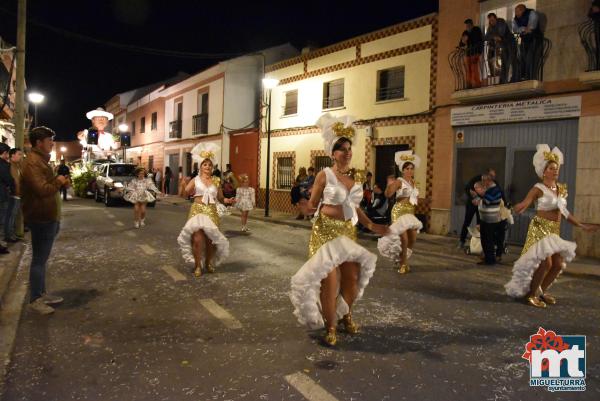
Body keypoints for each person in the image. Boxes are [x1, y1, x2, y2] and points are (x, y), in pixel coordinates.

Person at [291, 114, 388, 347]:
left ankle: (346, 315)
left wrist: (372, 225)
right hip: (324, 232)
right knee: (331, 281)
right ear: (332, 153)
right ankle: (331, 325)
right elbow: (313, 204)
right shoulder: (325, 175)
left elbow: (355, 208)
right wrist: (304, 207)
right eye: (341, 149)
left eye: (348, 148)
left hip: (347, 233)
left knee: (352, 280)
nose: (346, 152)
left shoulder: (355, 177)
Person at [505, 145, 598, 308]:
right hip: (540, 228)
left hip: (554, 230)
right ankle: (531, 295)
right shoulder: (538, 188)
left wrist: (582, 226)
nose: (555, 171)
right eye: (551, 168)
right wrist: (521, 206)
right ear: (544, 171)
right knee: (545, 263)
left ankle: (541, 290)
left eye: (556, 168)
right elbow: (527, 202)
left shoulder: (561, 189)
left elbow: (565, 213)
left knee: (558, 264)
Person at [21, 126, 70, 314]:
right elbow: (42, 190)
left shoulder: (40, 160)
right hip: (41, 217)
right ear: (38, 143)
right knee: (39, 260)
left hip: (48, 215)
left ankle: (41, 293)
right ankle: (35, 299)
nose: (52, 143)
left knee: (42, 259)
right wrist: (58, 181)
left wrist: (59, 181)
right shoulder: (33, 163)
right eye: (49, 140)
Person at [177, 143, 235, 277]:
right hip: (197, 211)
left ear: (212, 167)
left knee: (210, 241)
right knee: (197, 239)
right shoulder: (195, 180)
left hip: (212, 212)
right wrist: (183, 185)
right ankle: (198, 265)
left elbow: (220, 198)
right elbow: (184, 194)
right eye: (205, 164)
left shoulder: (216, 180)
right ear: (201, 166)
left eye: (209, 165)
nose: (207, 167)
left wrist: (228, 201)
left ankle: (208, 262)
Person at [378, 151, 424, 274]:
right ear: (403, 170)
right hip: (399, 212)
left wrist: (425, 201)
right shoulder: (399, 181)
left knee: (412, 239)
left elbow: (415, 199)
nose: (409, 171)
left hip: (410, 213)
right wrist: (389, 186)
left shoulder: (414, 183)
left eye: (411, 169)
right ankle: (403, 264)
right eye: (407, 168)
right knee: (403, 238)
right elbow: (388, 194)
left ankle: (402, 257)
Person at [459, 168, 504, 248]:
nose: (492, 178)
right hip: (472, 204)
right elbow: (467, 188)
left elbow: (500, 192)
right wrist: (473, 198)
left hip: (483, 205)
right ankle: (462, 241)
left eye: (493, 176)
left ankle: (479, 244)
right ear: (486, 175)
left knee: (480, 224)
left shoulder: (493, 183)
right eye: (491, 176)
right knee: (467, 222)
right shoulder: (476, 179)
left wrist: (505, 203)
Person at [473, 174, 504, 265]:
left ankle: (490, 260)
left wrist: (477, 196)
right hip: (485, 219)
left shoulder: (494, 190)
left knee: (488, 240)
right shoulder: (489, 190)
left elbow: (486, 201)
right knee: (485, 240)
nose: (483, 182)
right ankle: (487, 258)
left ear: (488, 180)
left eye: (483, 180)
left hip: (491, 220)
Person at [485, 13, 517, 84]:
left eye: (492, 20)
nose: (491, 22)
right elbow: (486, 37)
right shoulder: (490, 27)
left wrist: (494, 36)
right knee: (504, 63)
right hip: (503, 46)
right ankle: (503, 80)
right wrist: (494, 37)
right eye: (490, 21)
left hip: (510, 43)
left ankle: (515, 78)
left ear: (496, 18)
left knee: (512, 61)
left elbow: (501, 33)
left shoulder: (501, 22)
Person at [513, 4, 543, 80]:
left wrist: (523, 30)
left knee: (531, 59)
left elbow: (532, 27)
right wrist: (523, 29)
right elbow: (515, 30)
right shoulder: (515, 19)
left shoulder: (531, 13)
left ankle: (530, 78)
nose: (515, 13)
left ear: (522, 10)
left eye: (517, 11)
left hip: (534, 40)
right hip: (524, 41)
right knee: (523, 59)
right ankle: (524, 77)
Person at [4, 148, 23, 243]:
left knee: (13, 215)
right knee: (11, 215)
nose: (21, 156)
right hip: (14, 194)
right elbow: (14, 181)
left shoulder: (17, 165)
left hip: (18, 194)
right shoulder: (10, 166)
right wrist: (16, 191)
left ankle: (11, 234)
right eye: (19, 154)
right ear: (12, 155)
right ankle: (9, 235)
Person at [459, 18, 484, 88]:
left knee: (474, 68)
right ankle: (469, 85)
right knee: (468, 70)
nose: (467, 26)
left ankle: (477, 84)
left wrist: (479, 50)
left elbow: (479, 40)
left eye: (469, 25)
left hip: (475, 52)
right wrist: (463, 42)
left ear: (472, 25)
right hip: (468, 53)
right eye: (466, 25)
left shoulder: (476, 30)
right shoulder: (465, 33)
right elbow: (461, 44)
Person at [0, 143, 14, 255]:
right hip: (2, 195)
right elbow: (8, 179)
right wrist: (11, 185)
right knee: (3, 219)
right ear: (4, 153)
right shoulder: (3, 165)